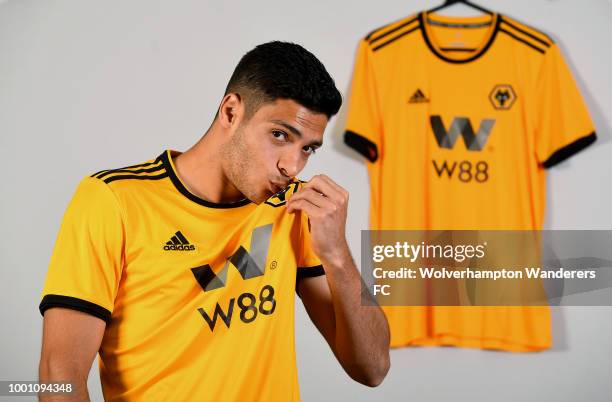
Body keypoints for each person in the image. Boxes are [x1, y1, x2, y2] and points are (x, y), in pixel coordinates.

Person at [38, 41, 390, 402]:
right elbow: (57, 377)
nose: (293, 166)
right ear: (231, 112)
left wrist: (337, 254)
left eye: (307, 148)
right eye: (279, 135)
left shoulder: (295, 207)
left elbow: (373, 368)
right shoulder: (113, 200)